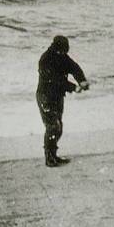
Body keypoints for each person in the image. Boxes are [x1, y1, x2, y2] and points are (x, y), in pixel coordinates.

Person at [37, 36, 89, 167]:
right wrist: (73, 87)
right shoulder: (45, 60)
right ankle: (49, 158)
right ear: (56, 48)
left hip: (58, 96)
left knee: (58, 126)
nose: (64, 53)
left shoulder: (62, 56)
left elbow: (74, 67)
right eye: (62, 51)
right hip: (45, 96)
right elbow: (55, 80)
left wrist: (81, 80)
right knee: (53, 126)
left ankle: (54, 155)